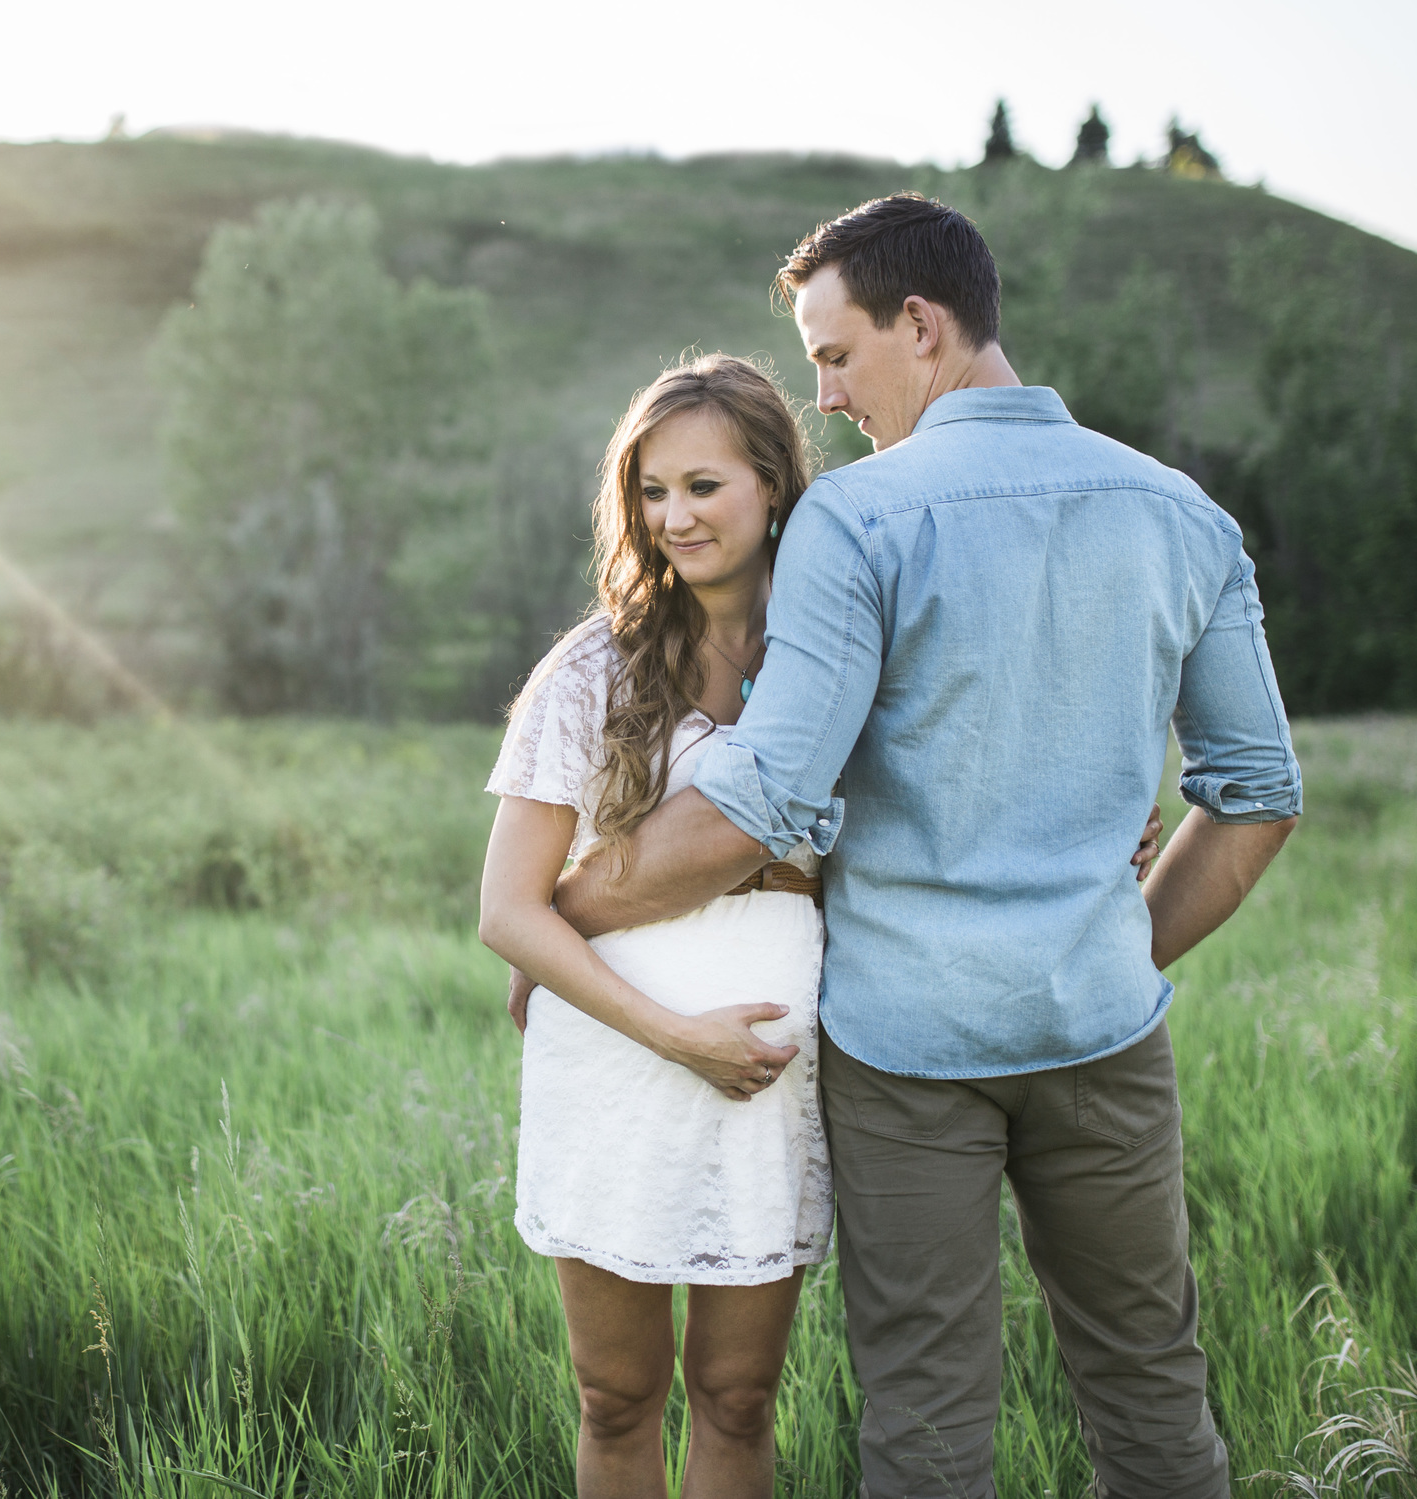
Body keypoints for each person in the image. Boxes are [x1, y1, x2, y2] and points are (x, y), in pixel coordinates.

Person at [551, 192, 1303, 1499]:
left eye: (834, 353)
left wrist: (571, 904)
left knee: (926, 1407)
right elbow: (1255, 795)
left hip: (907, 1053)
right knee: (1149, 1384)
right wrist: (1113, 938)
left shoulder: (860, 517)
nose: (826, 393)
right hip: (1106, 1028)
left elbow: (761, 799)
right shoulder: (1182, 513)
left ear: (923, 322)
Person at [477, 354, 1165, 1499]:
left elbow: (969, 790)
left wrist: (1098, 824)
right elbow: (508, 909)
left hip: (772, 1067)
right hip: (614, 1055)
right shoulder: (589, 669)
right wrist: (669, 1028)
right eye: (651, 490)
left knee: (740, 1397)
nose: (674, 516)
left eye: (704, 485)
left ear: (775, 488)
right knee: (615, 1394)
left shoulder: (846, 660)